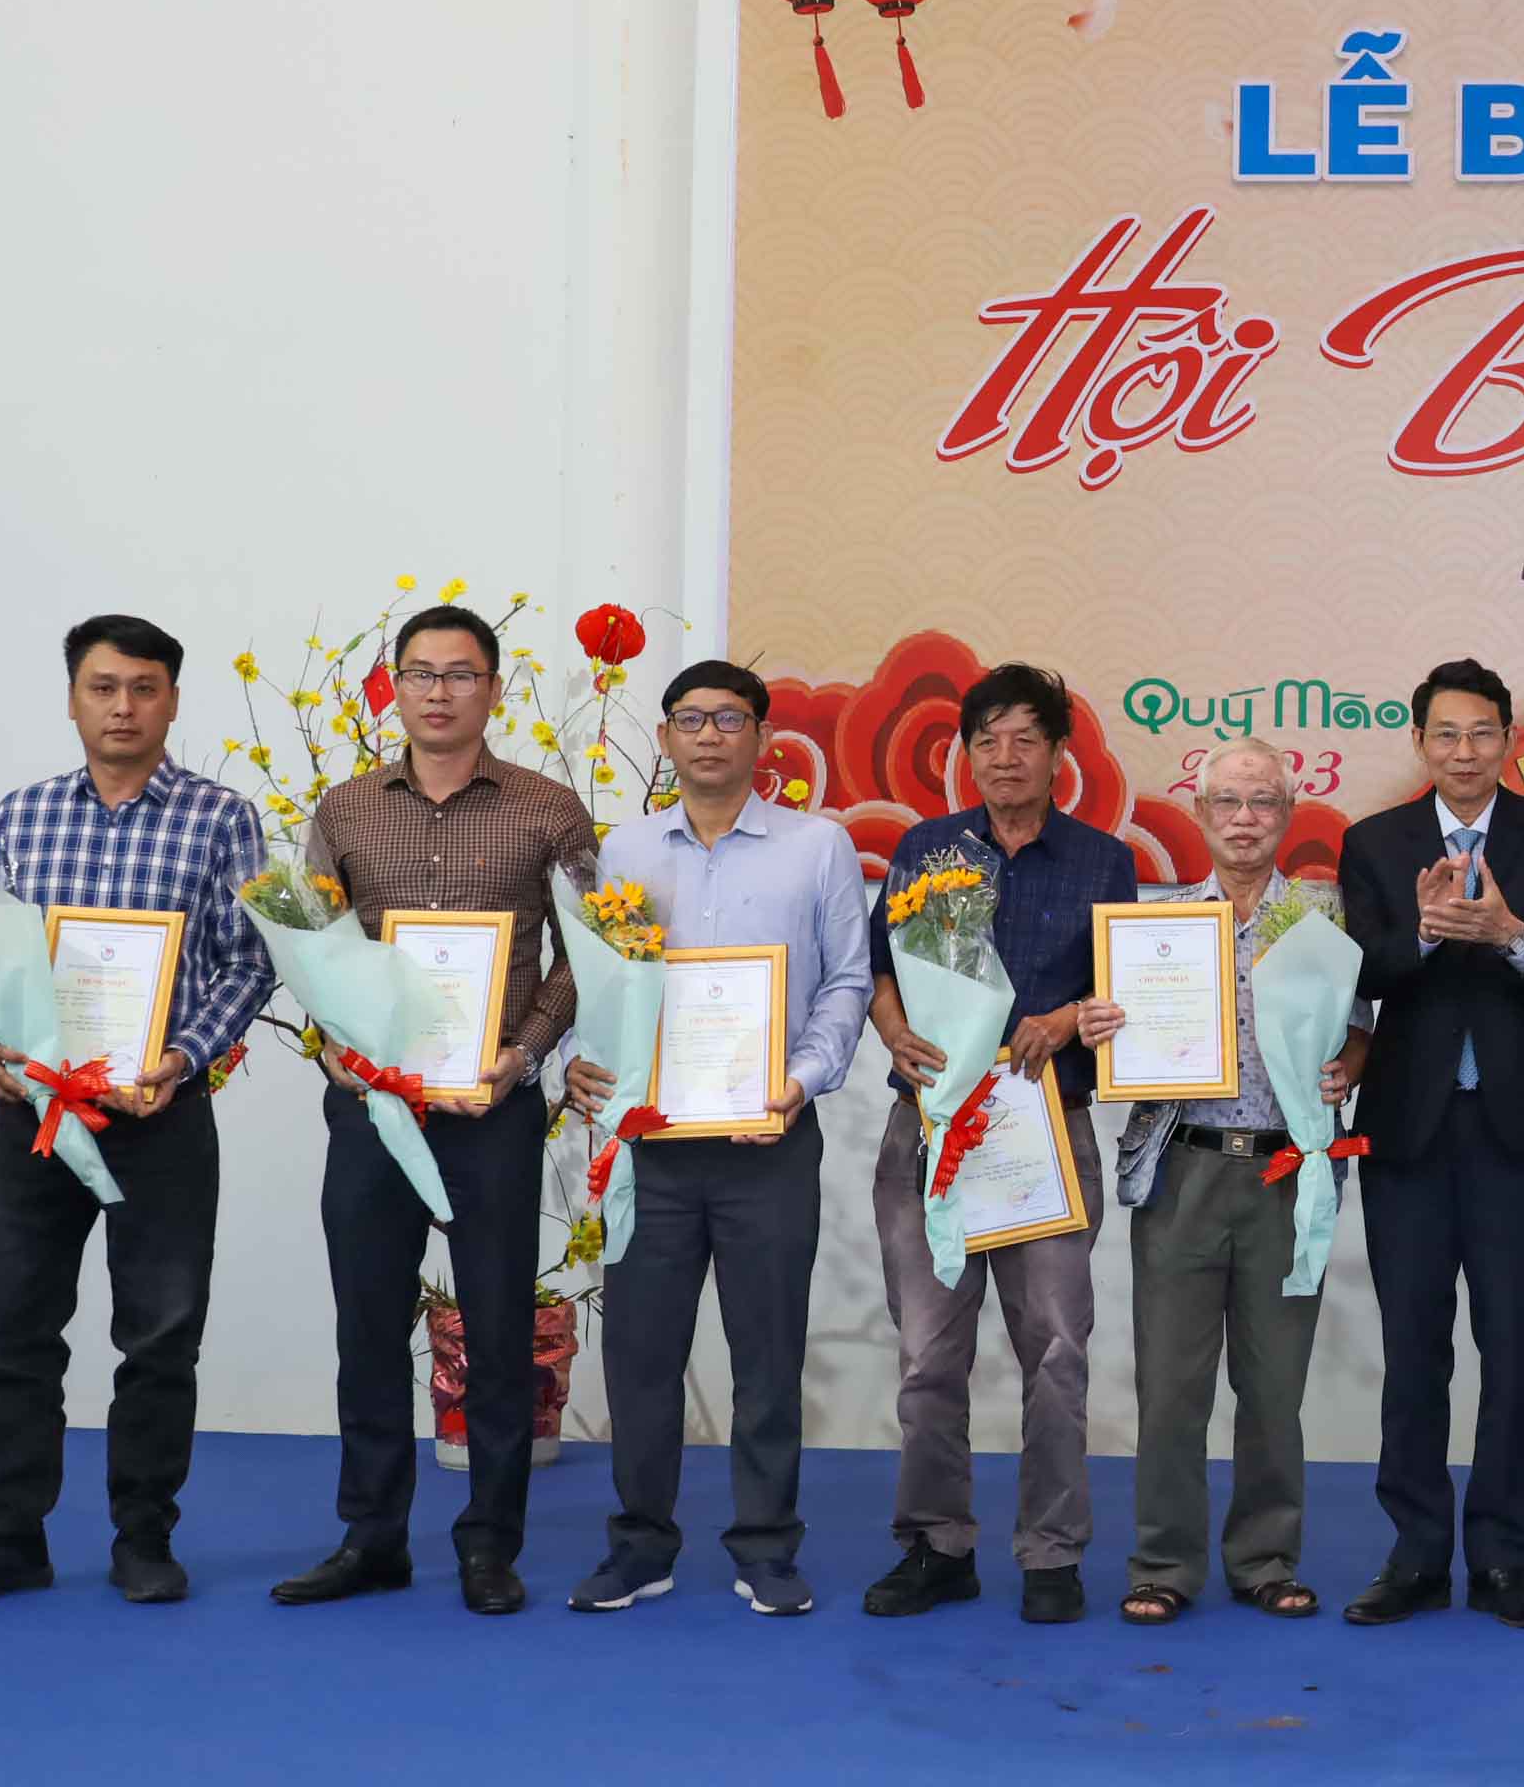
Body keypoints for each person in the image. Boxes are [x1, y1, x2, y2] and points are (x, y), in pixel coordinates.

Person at [0, 616, 275, 1607]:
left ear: (172, 699)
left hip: (159, 1113)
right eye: (104, 686)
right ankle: (7, 1535)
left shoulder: (221, 818)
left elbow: (252, 958)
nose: (124, 706)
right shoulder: (22, 814)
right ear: (73, 697)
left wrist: (182, 1055)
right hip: (34, 1112)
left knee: (160, 1335)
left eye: (145, 687)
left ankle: (143, 1537)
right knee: (15, 1331)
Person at [275, 604, 593, 1617]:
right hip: (374, 1108)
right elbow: (312, 945)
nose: (440, 690)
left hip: (492, 1104)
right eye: (421, 672)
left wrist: (523, 1055)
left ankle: (489, 1544)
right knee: (368, 1324)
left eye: (462, 673)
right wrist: (340, 1047)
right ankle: (371, 1537)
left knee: (497, 1328)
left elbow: (588, 953)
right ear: (395, 687)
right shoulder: (346, 808)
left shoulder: (550, 807)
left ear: (492, 688)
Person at [566, 660, 871, 1617]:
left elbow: (847, 985)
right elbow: (603, 987)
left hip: (768, 1140)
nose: (707, 735)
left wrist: (801, 1081)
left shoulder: (817, 848)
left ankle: (767, 1545)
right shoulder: (624, 850)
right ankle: (640, 1543)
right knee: (641, 1356)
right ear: (665, 739)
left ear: (760, 737)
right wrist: (579, 1059)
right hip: (653, 1146)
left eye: (728, 718)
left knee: (767, 1353)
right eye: (689, 719)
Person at [863, 663, 1136, 1625]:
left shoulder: (1105, 861)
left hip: (1044, 1124)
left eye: (1027, 738)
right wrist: (894, 1031)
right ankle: (936, 1547)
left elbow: (1121, 992)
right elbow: (877, 970)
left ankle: (1052, 1554)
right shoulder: (926, 848)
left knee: (1057, 1349)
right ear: (963, 755)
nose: (1006, 756)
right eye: (988, 740)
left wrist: (1065, 1019)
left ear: (1060, 754)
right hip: (931, 1126)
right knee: (928, 1353)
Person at [1083, 737, 1371, 1625]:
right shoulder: (1153, 930)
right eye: (1228, 803)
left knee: (1274, 1385)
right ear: (1200, 815)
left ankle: (1265, 1558)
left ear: (1288, 816)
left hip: (1286, 1171)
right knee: (1169, 1384)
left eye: (1263, 803)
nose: (1245, 819)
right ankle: (1162, 1563)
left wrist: (1351, 1063)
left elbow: (1359, 1025)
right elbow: (1118, 1034)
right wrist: (1104, 1021)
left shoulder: (1320, 925)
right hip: (1182, 1170)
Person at [1336, 658, 1524, 1630]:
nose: (1463, 751)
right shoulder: (1375, 843)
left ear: (1508, 737)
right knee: (1414, 1352)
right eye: (1445, 734)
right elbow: (1361, 967)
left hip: (1517, 1132)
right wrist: (1436, 931)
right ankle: (1412, 1553)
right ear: (1419, 742)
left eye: (1482, 732)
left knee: (1512, 1350)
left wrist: (1511, 932)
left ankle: (1500, 1557)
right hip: (1407, 1132)